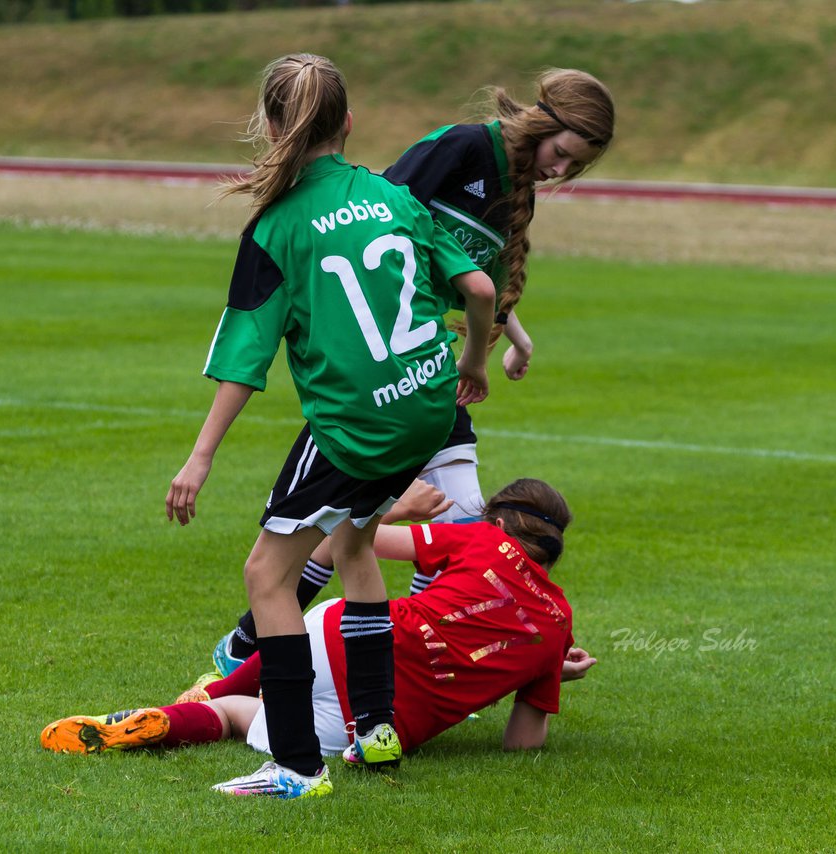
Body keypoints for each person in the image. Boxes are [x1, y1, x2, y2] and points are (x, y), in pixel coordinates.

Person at [162, 54, 497, 799]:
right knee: (352, 541)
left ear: (274, 126)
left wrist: (200, 457)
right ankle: (375, 730)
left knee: (266, 576)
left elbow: (245, 359)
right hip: (430, 406)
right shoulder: (391, 195)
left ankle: (295, 765)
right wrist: (473, 358)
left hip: (359, 425)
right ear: (348, 124)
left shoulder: (277, 227)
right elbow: (478, 286)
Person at [209, 68, 616, 677]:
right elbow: (378, 221)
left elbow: (474, 275)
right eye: (560, 153)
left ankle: (427, 660)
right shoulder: (463, 148)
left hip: (421, 368)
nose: (559, 170)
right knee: (366, 526)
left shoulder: (517, 182)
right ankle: (256, 649)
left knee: (437, 521)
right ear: (543, 124)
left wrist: (516, 336)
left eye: (574, 166)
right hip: (379, 370)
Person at [42, 479, 596, 772]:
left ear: (499, 523)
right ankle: (189, 713)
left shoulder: (484, 539)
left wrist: (399, 507)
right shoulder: (560, 624)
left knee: (300, 644)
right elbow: (521, 746)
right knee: (240, 718)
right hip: (381, 727)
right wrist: (547, 671)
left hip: (350, 639)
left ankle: (181, 704)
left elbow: (351, 542)